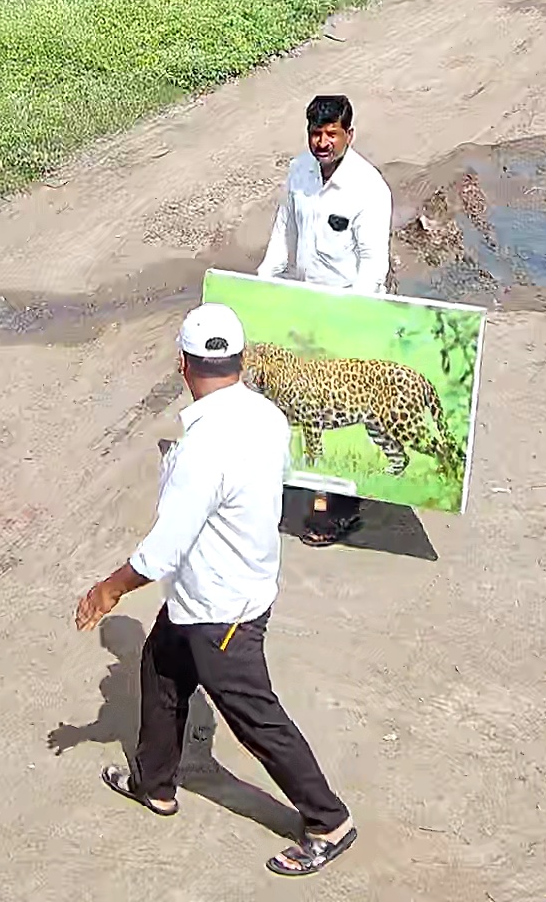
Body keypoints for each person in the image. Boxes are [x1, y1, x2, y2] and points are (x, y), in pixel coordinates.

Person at [74, 304, 357, 878]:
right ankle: (155, 784)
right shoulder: (267, 416)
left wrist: (109, 590)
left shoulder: (202, 450)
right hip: (222, 588)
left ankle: (328, 820)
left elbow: (162, 551)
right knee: (161, 666)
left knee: (255, 716)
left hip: (220, 609)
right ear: (241, 361)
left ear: (183, 365)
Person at [255, 93, 390, 546]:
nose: (323, 143)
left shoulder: (368, 188)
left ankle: (340, 509)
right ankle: (290, 482)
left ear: (349, 134)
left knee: (343, 412)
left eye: (332, 134)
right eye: (316, 134)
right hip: (304, 309)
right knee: (293, 404)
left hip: (349, 315)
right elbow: (284, 231)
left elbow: (373, 264)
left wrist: (349, 320)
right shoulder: (299, 172)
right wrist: (264, 281)